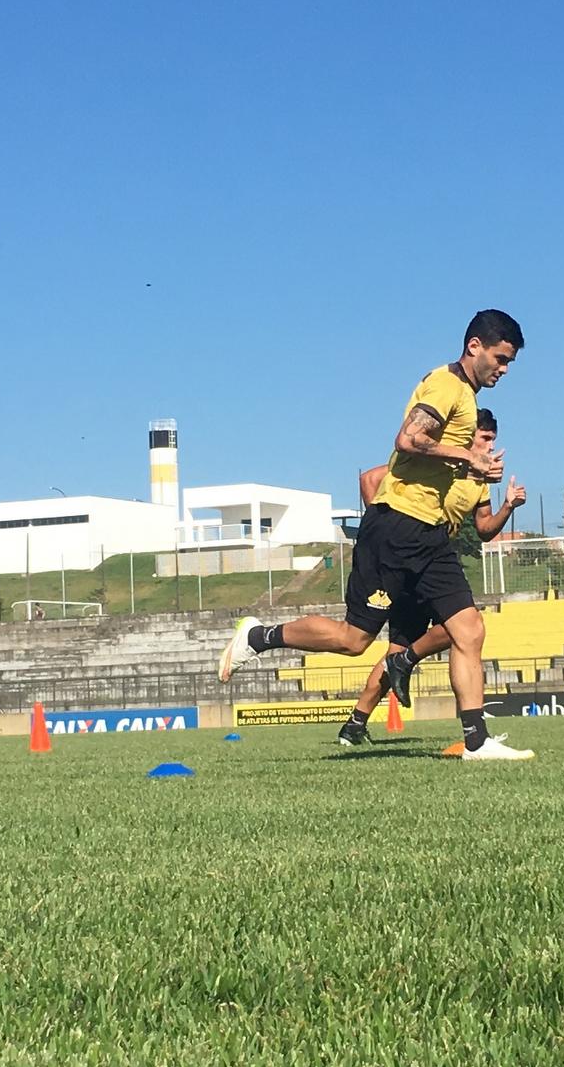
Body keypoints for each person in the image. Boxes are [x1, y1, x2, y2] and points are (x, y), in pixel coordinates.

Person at [220, 310, 535, 760]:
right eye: (500, 359)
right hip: (399, 527)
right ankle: (258, 637)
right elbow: (408, 439)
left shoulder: (465, 394)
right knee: (354, 640)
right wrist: (466, 456)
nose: (503, 370)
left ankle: (476, 741)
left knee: (469, 629)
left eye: (509, 363)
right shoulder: (447, 386)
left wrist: (473, 466)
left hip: (430, 537)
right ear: (475, 347)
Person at [336, 408, 526, 747]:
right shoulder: (441, 467)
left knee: (436, 637)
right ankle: (403, 668)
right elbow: (369, 479)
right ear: (468, 438)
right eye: (485, 438)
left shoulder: (480, 481)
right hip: (405, 555)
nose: (490, 445)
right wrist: (386, 528)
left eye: (493, 439)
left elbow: (483, 530)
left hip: (433, 562)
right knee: (441, 634)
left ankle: (355, 723)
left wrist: (508, 506)